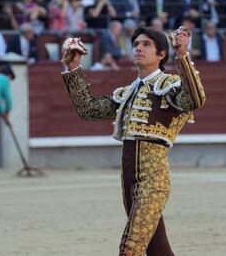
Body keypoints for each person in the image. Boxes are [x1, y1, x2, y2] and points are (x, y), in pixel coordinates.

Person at [60, 26, 205, 255]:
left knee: (131, 248)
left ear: (161, 55)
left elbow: (195, 99)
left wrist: (182, 55)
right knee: (158, 249)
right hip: (128, 178)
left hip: (153, 179)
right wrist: (74, 67)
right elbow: (89, 110)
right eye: (136, 44)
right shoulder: (128, 92)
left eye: (146, 44)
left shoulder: (168, 85)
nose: (138, 47)